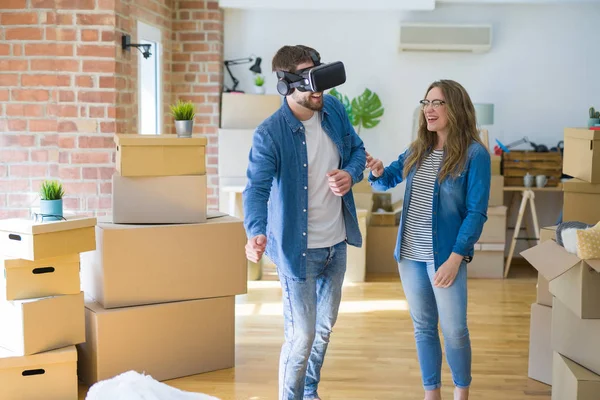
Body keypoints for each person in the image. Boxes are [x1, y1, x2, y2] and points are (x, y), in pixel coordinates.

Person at [242, 44, 366, 400]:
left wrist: (349, 173)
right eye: (309, 81)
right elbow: (256, 189)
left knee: (323, 329)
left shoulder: (334, 111)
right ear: (285, 84)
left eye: (320, 78)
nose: (318, 90)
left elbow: (356, 149)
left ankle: (309, 391)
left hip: (336, 244)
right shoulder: (271, 133)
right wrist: (255, 232)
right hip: (298, 252)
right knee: (301, 336)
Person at [366, 79, 491, 400]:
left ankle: (461, 393)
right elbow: (386, 181)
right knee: (423, 327)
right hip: (409, 255)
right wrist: (378, 171)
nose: (429, 110)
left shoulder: (475, 155)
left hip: (445, 257)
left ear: (456, 108)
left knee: (454, 331)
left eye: (437, 103)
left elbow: (476, 213)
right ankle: (431, 393)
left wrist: (455, 257)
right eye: (426, 103)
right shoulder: (418, 149)